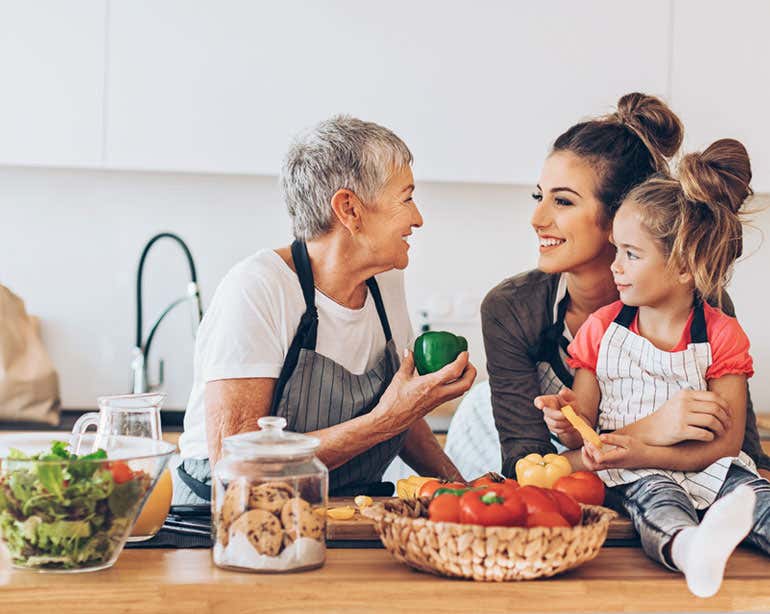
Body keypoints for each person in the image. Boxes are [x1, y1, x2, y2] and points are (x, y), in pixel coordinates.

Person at [446, 93, 770, 480]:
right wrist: (653, 429)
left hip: (633, 475)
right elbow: (525, 469)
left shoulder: (698, 302)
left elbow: (743, 454)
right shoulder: (510, 309)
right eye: (539, 196)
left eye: (562, 202)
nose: (536, 217)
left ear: (621, 216)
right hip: (497, 439)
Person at [174, 116, 476, 504]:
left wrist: (460, 487)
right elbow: (237, 466)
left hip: (336, 511)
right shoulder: (258, 288)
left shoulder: (385, 282)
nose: (417, 218)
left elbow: (401, 412)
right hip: (227, 524)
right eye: (407, 198)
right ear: (349, 208)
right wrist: (386, 420)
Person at [535, 139, 769, 597]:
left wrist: (648, 450)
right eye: (616, 250)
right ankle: (692, 551)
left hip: (714, 467)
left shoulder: (722, 336)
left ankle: (718, 530)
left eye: (631, 254)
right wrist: (564, 417)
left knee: (758, 498)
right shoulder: (601, 331)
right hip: (636, 473)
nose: (615, 267)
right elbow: (584, 432)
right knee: (661, 506)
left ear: (684, 266)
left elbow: (725, 446)